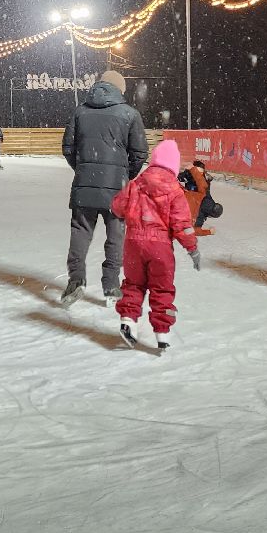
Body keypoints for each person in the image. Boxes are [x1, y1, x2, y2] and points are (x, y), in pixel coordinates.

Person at [60, 70, 148, 305]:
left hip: (84, 185)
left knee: (80, 231)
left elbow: (68, 147)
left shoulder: (81, 111)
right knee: (116, 235)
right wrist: (124, 174)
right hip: (116, 188)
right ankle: (110, 285)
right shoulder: (129, 114)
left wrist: (84, 169)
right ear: (120, 89)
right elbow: (139, 153)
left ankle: (75, 281)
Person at [111, 138, 201, 350]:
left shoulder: (136, 184)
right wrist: (192, 249)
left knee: (133, 284)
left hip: (133, 244)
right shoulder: (175, 190)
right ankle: (162, 333)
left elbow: (116, 206)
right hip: (160, 248)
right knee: (162, 288)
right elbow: (182, 225)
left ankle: (128, 320)